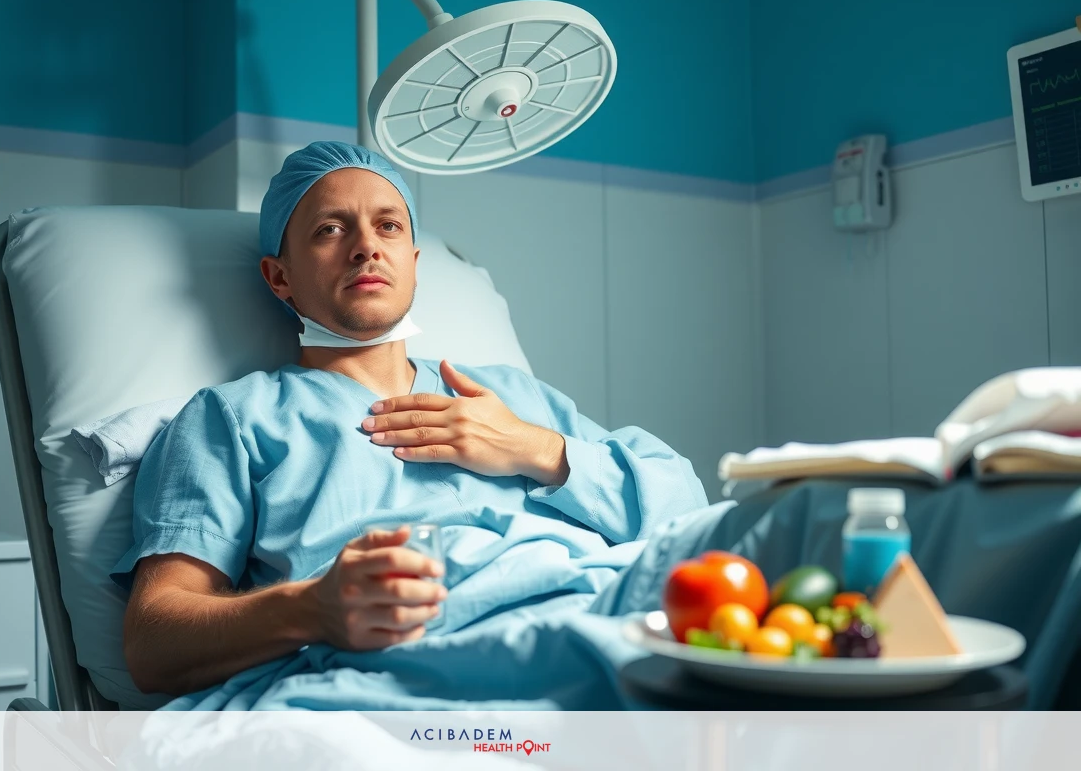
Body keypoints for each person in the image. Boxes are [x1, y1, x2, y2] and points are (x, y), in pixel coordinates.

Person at [111, 141, 728, 709]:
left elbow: (687, 516)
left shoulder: (509, 395)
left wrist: (532, 448)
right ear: (280, 276)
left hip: (605, 618)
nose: (365, 247)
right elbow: (153, 645)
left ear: (412, 259)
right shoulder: (234, 419)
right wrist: (312, 609)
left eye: (388, 226)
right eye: (330, 228)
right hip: (412, 674)